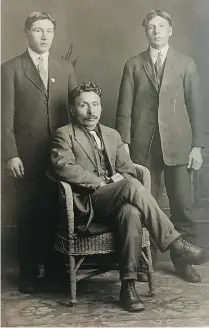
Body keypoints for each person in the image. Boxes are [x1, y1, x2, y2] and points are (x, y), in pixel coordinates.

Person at [50, 82, 209, 312]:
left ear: (101, 108)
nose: (91, 111)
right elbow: (64, 167)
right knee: (131, 187)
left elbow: (127, 170)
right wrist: (103, 183)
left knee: (131, 212)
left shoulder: (112, 135)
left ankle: (128, 287)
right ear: (73, 110)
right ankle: (176, 244)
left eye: (95, 105)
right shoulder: (64, 135)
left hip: (115, 200)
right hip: (87, 204)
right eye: (83, 105)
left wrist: (119, 180)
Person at [115, 9, 204, 283]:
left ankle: (183, 261)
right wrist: (124, 144)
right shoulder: (133, 64)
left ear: (170, 30)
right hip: (143, 147)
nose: (156, 31)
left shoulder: (186, 64)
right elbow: (124, 109)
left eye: (161, 26)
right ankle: (145, 263)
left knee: (182, 205)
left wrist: (198, 146)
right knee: (144, 206)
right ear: (146, 31)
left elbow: (196, 108)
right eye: (151, 27)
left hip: (178, 145)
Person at [1, 11, 77, 293]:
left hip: (60, 154)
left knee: (59, 212)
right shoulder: (10, 69)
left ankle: (57, 269)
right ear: (26, 33)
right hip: (26, 156)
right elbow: (4, 117)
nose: (44, 36)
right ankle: (29, 272)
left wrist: (75, 154)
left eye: (49, 31)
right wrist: (11, 154)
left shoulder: (65, 68)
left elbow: (73, 116)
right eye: (37, 30)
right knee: (28, 213)